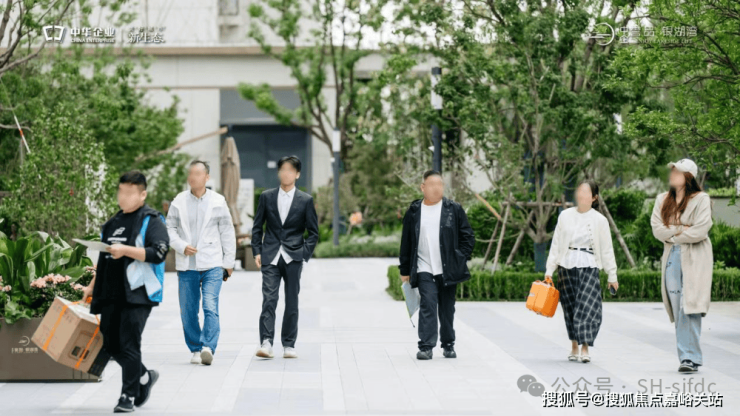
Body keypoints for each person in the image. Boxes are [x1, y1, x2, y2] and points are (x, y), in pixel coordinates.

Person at [82, 171, 170, 413]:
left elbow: (159, 253)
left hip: (138, 293)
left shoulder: (152, 220)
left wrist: (126, 250)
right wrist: (91, 286)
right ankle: (144, 376)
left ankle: (127, 396)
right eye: (121, 192)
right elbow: (104, 258)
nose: (124, 197)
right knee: (111, 344)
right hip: (109, 292)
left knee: (129, 344)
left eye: (130, 193)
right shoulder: (113, 222)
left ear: (142, 194)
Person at [399, 170, 475, 360]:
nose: (436, 188)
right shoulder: (414, 211)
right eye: (432, 184)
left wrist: (459, 258)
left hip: (447, 269)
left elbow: (468, 237)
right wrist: (404, 269)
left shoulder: (453, 209)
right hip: (423, 267)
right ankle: (426, 346)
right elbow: (406, 241)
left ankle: (448, 344)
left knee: (447, 309)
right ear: (423, 187)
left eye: (439, 184)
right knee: (428, 304)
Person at [165, 160, 236, 366]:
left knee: (210, 305)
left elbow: (227, 231)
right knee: (188, 311)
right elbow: (169, 229)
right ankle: (196, 348)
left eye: (197, 173)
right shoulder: (179, 201)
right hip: (187, 265)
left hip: (212, 262)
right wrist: (181, 246)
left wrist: (228, 262)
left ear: (207, 177)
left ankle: (208, 347)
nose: (193, 177)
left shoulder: (218, 201)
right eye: (191, 173)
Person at [251, 155, 319, 359]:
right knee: (269, 299)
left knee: (292, 301)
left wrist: (303, 254)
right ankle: (266, 342)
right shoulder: (267, 197)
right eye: (283, 170)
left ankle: (289, 344)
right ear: (278, 172)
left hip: (293, 257)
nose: (286, 173)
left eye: (290, 170)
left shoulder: (305, 200)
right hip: (270, 255)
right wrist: (257, 251)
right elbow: (257, 227)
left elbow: (313, 232)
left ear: (297, 174)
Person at [650, 158, 713, 373]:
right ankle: (687, 356)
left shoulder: (701, 199)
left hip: (696, 257)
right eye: (672, 171)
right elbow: (657, 229)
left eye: (677, 172)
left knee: (690, 305)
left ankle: (689, 358)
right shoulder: (662, 199)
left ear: (688, 177)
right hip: (672, 255)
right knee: (678, 307)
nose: (672, 174)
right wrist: (682, 229)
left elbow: (701, 230)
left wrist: (673, 233)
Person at [545, 180, 618, 364]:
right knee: (569, 307)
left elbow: (607, 249)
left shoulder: (600, 220)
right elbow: (556, 244)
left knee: (587, 307)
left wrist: (612, 275)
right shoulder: (565, 216)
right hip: (566, 265)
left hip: (589, 265)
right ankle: (574, 346)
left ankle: (585, 347)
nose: (581, 195)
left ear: (594, 198)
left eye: (586, 192)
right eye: (580, 191)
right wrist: (549, 270)